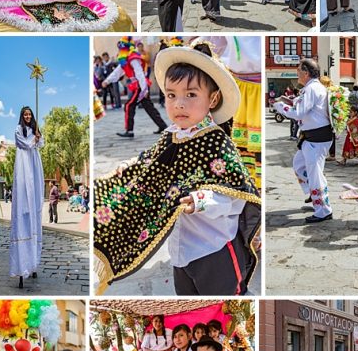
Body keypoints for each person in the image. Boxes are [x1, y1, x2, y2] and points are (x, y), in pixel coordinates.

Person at [93, 39, 261, 296]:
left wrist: (201, 199)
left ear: (213, 98)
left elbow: (235, 194)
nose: (179, 104)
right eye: (171, 95)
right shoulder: (170, 136)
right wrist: (128, 167)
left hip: (214, 249)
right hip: (180, 252)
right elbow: (148, 164)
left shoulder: (216, 141)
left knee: (223, 298)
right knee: (186, 296)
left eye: (191, 95)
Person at [273, 59, 334, 223]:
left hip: (316, 137)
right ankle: (311, 194)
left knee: (315, 175)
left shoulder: (312, 89)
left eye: (298, 71)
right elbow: (306, 108)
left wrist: (279, 106)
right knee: (299, 165)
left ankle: (323, 210)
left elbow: (298, 113)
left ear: (306, 73)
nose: (297, 74)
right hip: (313, 137)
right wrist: (288, 100)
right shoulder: (312, 88)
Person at [101, 36, 167, 138]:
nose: (119, 49)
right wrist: (107, 81)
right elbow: (118, 71)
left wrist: (144, 89)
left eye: (121, 47)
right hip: (139, 86)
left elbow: (140, 73)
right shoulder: (125, 58)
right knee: (149, 107)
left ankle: (129, 130)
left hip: (139, 87)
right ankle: (163, 126)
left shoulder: (133, 58)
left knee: (129, 106)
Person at [10, 107, 44, 289]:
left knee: (35, 200)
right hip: (24, 164)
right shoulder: (18, 130)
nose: (28, 116)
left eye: (30, 114)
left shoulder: (35, 130)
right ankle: (22, 263)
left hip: (34, 163)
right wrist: (34, 141)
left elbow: (40, 144)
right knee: (24, 194)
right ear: (22, 116)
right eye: (25, 114)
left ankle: (34, 261)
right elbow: (23, 144)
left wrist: (38, 137)